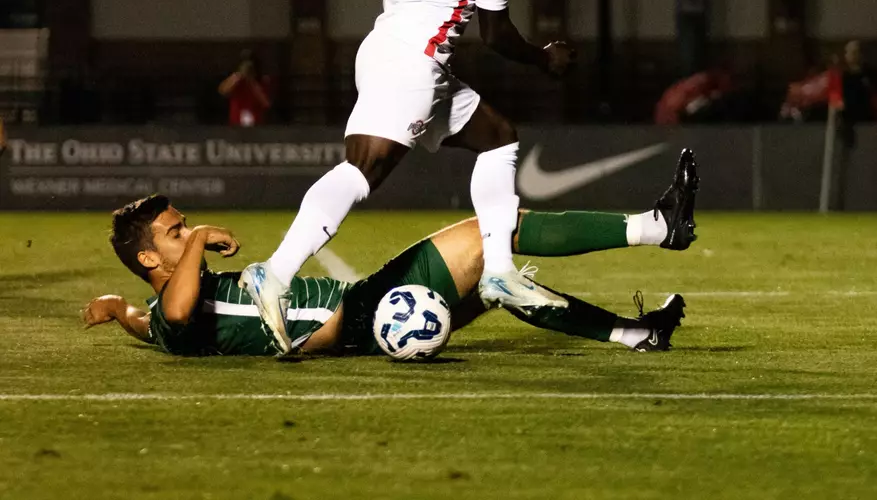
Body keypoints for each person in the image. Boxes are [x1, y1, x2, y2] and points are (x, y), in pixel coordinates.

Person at [213, 0, 577, 352]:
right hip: (413, 63)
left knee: (498, 136)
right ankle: (275, 273)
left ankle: (498, 271)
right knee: (363, 170)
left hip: (394, 52)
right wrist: (544, 58)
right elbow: (496, 34)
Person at [83, 149, 699, 358]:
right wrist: (197, 240)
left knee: (494, 277)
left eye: (183, 224)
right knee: (493, 230)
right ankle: (656, 226)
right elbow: (181, 311)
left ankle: (633, 336)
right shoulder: (178, 308)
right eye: (174, 232)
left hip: (361, 311)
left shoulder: (154, 321)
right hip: (358, 316)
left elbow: (149, 322)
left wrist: (114, 309)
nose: (188, 232)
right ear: (150, 260)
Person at [827, 40, 877, 209]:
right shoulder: (843, 77)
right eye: (850, 52)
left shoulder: (870, 75)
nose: (853, 55)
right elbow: (836, 99)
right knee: (848, 168)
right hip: (849, 126)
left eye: (856, 52)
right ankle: (841, 204)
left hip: (869, 126)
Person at [218, 49, 273, 127]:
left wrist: (251, 81)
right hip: (236, 123)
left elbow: (266, 103)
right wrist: (239, 76)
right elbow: (223, 91)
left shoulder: (263, 81)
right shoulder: (235, 78)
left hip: (256, 125)